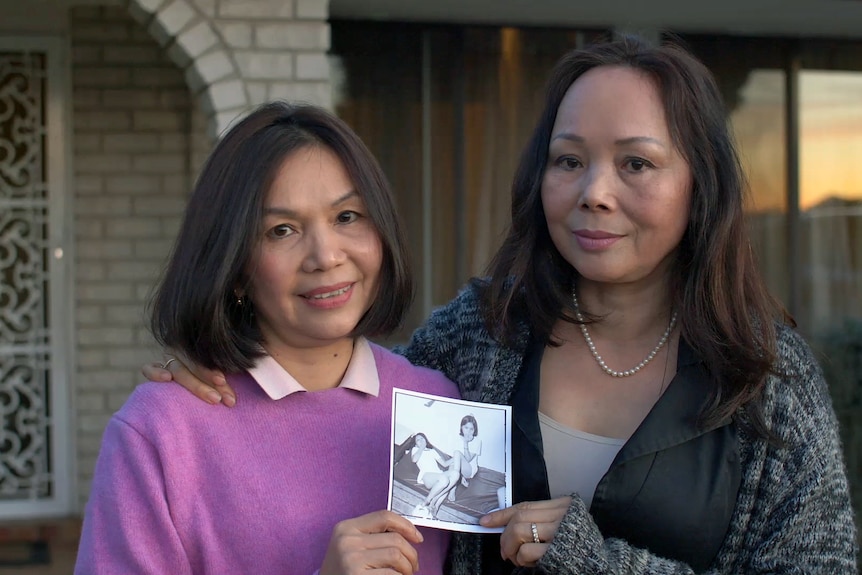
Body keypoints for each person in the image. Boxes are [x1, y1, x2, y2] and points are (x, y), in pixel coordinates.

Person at [143, 35, 859, 574]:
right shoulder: (479, 333)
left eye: (636, 163)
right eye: (568, 159)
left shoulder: (767, 377)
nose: (595, 192)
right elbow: (346, 392)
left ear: (700, 183)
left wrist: (596, 562)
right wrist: (218, 365)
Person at [76, 102, 459, 575]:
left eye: (347, 216)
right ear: (234, 267)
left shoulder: (437, 402)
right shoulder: (162, 432)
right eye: (282, 230)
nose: (325, 256)